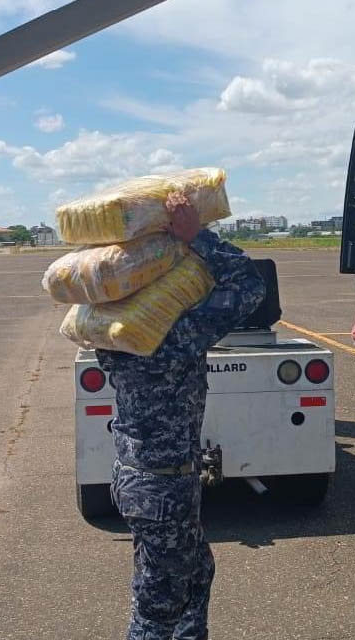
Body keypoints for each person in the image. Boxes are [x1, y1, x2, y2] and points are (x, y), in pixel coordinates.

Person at [96, 192, 266, 640]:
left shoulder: (115, 331)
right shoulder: (170, 334)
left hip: (141, 479)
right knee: (158, 608)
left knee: (195, 575)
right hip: (162, 486)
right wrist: (198, 238)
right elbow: (249, 286)